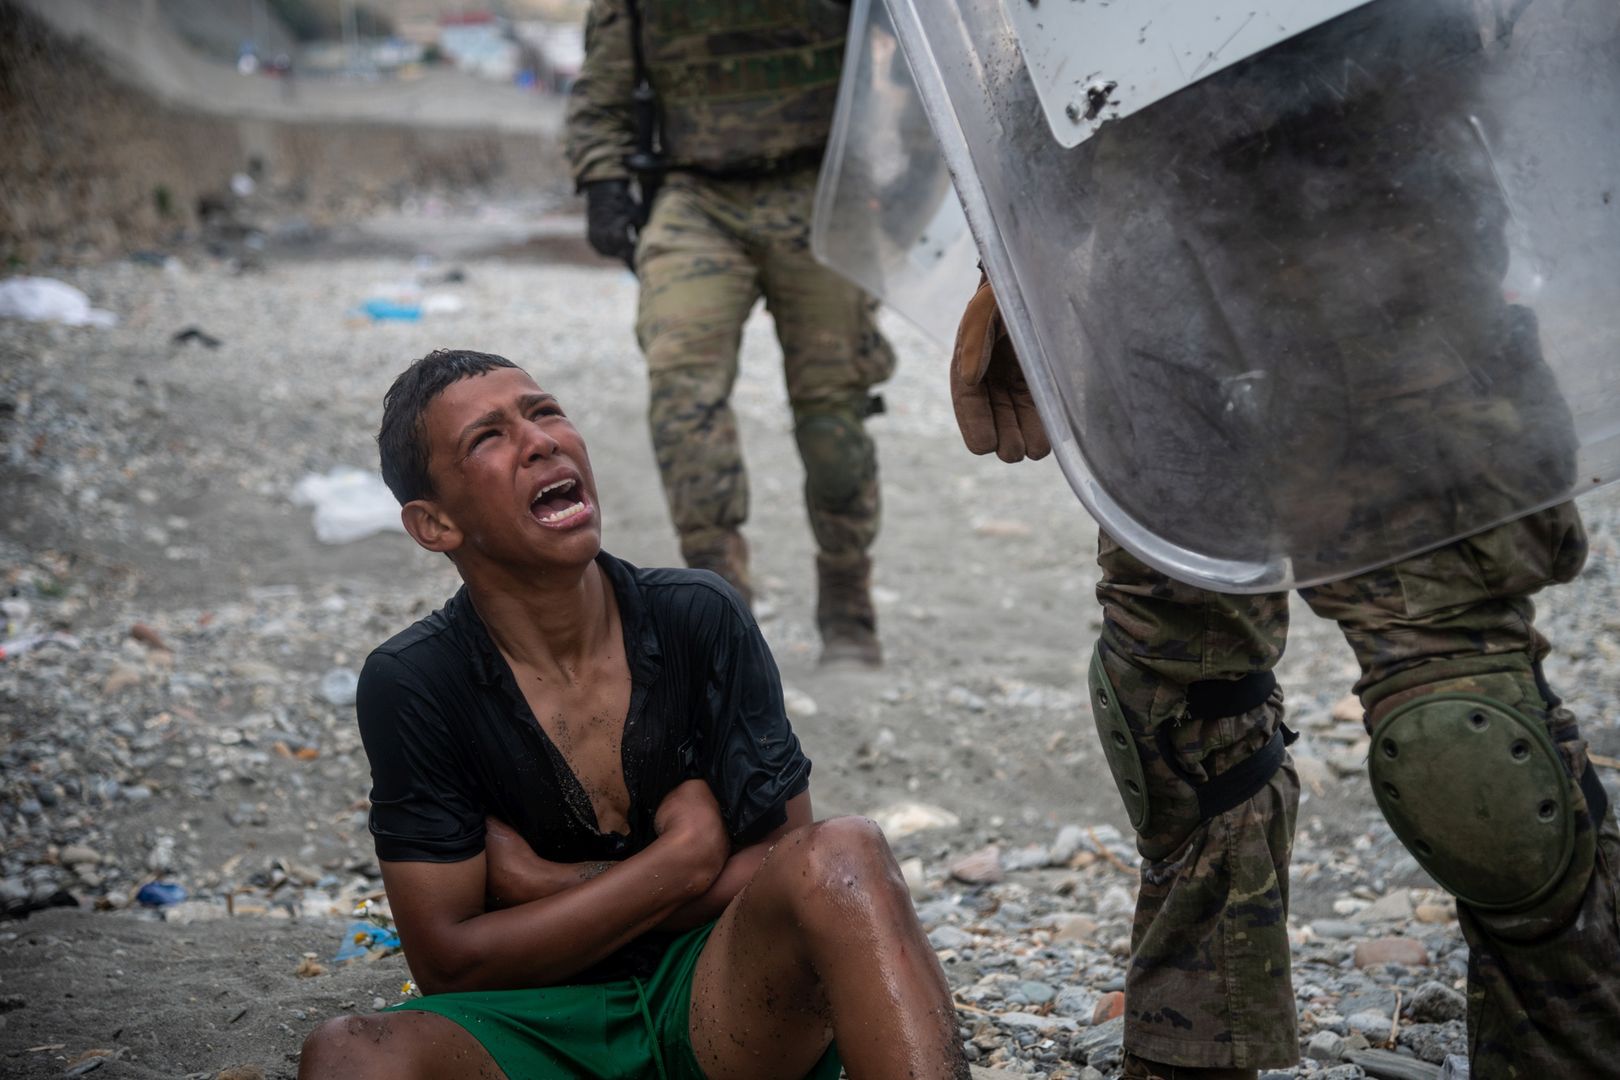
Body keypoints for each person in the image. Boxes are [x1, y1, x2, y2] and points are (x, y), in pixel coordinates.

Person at [943, 6, 1620, 1079]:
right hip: (1146, 225)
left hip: (1374, 217)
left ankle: (1571, 1046)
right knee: (1172, 702)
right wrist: (1014, 244)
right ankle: (1191, 1044)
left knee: (1468, 739)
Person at [296, 349, 968, 1080]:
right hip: (543, 1022)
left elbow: (791, 870)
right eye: (487, 438)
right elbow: (452, 965)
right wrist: (679, 863)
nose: (540, 440)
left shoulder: (697, 616)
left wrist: (552, 888)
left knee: (847, 850)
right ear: (434, 525)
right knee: (349, 1055)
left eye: (544, 411)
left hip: (722, 995)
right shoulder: (415, 682)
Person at [565, 0, 895, 667]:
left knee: (834, 415)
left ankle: (847, 609)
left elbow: (926, 54)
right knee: (683, 396)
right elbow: (603, 84)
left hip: (820, 190)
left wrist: (919, 162)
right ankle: (723, 612)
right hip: (698, 196)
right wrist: (603, 181)